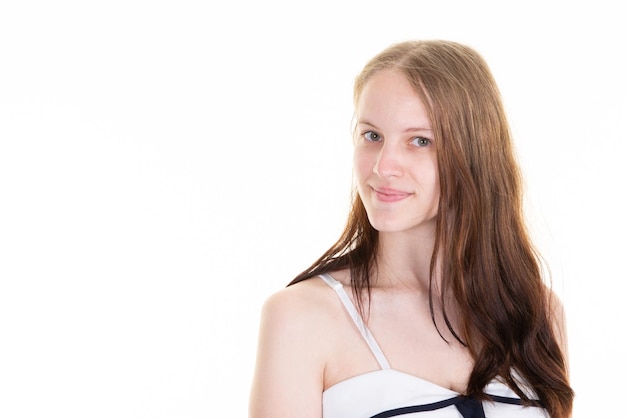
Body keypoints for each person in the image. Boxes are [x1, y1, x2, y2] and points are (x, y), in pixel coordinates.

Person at [248, 40, 574, 418]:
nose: (384, 166)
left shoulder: (536, 313)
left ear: (475, 155)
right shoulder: (301, 319)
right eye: (372, 136)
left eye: (420, 141)